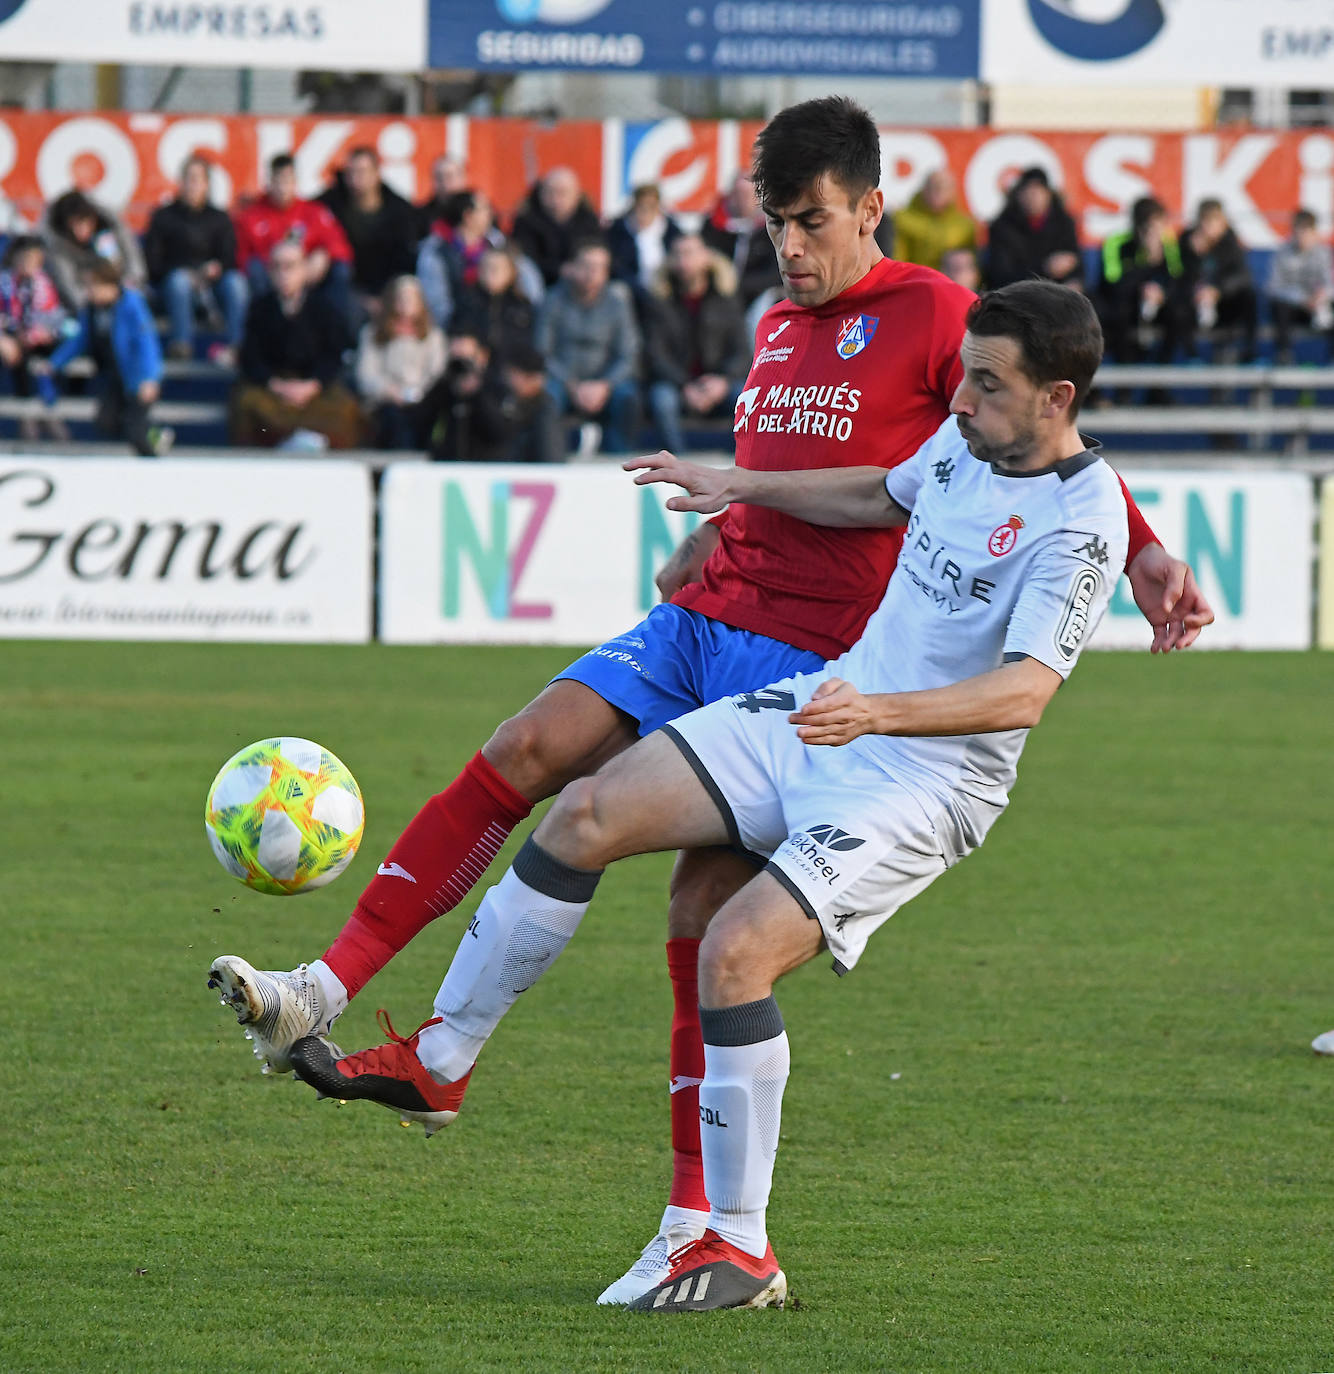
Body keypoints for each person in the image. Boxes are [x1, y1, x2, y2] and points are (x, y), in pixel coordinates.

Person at [206, 97, 1211, 1305]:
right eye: (773, 222)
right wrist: (725, 505)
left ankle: (713, 1226)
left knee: (709, 934)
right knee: (547, 775)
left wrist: (1144, 548)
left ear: (868, 210)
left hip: (824, 677)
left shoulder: (950, 328)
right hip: (730, 627)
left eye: (811, 221)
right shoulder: (787, 329)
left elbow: (1047, 449)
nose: (789, 245)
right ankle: (399, 1034)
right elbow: (879, 478)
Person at [230, 240, 361, 449]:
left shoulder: (324, 308)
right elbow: (250, 357)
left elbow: (334, 354)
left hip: (315, 389)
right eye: (276, 267)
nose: (283, 273)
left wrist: (312, 386)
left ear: (304, 269)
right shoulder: (259, 308)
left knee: (345, 409)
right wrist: (277, 385)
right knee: (246, 404)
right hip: (272, 389)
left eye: (290, 266)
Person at [43, 258, 171, 456]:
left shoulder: (131, 304)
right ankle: (154, 433)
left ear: (109, 285)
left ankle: (154, 448)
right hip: (115, 376)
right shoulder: (92, 310)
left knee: (137, 430)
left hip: (137, 377)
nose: (89, 291)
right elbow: (79, 340)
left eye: (93, 286)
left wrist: (150, 378)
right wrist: (54, 364)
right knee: (106, 421)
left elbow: (147, 343)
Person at [643, 233, 750, 455]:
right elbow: (655, 355)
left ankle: (739, 463)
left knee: (745, 397)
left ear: (706, 258)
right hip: (677, 384)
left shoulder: (726, 299)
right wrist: (685, 385)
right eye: (678, 254)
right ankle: (677, 463)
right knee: (662, 400)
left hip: (718, 383)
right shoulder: (659, 302)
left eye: (690, 253)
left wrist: (722, 380)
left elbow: (742, 352)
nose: (683, 261)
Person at [534, 236, 641, 456]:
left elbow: (628, 354)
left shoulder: (617, 303)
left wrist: (605, 384)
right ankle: (552, 462)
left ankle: (619, 462)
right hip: (562, 379)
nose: (591, 273)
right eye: (586, 266)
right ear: (572, 268)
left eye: (599, 267)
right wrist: (571, 384)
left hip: (606, 382)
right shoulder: (553, 299)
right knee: (545, 397)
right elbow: (542, 351)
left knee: (629, 397)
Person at [143, 155, 248, 362]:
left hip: (213, 287)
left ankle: (239, 346)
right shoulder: (163, 216)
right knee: (179, 282)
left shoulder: (220, 218)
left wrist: (216, 269)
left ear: (207, 184)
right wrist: (184, 272)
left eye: (198, 179)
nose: (193, 185)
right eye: (188, 178)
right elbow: (152, 264)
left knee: (236, 283)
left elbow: (230, 258)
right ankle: (181, 345)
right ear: (180, 182)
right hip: (173, 289)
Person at [233, 153, 354, 327]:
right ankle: (266, 328)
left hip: (309, 281)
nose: (283, 188)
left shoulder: (314, 213)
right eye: (278, 181)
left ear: (295, 182)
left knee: (340, 270)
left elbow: (342, 249)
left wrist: (324, 255)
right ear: (269, 182)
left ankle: (337, 333)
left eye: (287, 181)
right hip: (269, 280)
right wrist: (278, 267)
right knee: (255, 269)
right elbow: (241, 257)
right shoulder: (251, 216)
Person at [422, 332, 560, 463]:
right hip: (447, 469)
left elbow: (501, 433)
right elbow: (421, 419)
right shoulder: (446, 387)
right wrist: (443, 382)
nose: (463, 364)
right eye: (457, 356)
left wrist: (477, 394)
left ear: (483, 356)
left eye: (468, 358)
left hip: (488, 471)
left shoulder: (497, 388)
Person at [318, 145, 420, 320]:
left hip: (390, 291)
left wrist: (385, 298)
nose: (356, 179)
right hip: (349, 292)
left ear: (377, 173)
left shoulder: (401, 211)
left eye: (362, 171)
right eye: (351, 172)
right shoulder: (329, 205)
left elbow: (405, 260)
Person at [355, 275, 446, 450]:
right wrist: (388, 391)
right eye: (401, 298)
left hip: (423, 399)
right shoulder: (373, 333)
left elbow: (436, 372)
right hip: (385, 401)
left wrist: (418, 392)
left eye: (411, 298)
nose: (406, 304)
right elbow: (366, 374)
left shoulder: (433, 336)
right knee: (394, 421)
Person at [1096, 197, 1189, 364]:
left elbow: (1176, 279)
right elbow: (1113, 284)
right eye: (1151, 227)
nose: (1157, 232)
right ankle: (1124, 378)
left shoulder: (1168, 243)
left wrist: (1161, 293)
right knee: (1118, 314)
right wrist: (1147, 263)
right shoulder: (1116, 243)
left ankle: (1162, 374)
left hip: (1156, 306)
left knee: (1178, 314)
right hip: (1124, 306)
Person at [0, 234, 68, 440]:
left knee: (38, 366)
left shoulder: (46, 284)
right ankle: (27, 421)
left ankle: (50, 418)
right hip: (12, 341)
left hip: (39, 345)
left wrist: (42, 332)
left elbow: (58, 318)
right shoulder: (5, 284)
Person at [40, 189, 146, 313]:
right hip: (87, 302)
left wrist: (119, 290)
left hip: (123, 289)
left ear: (93, 218)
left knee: (133, 302)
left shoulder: (114, 230)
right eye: (72, 226)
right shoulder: (57, 247)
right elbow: (71, 290)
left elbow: (135, 266)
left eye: (82, 223)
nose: (78, 231)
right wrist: (92, 295)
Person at [1179, 199, 1256, 361]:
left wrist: (1217, 290)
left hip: (1224, 304)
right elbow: (1179, 277)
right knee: (1178, 305)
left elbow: (1242, 276)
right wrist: (1195, 256)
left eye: (1214, 220)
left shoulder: (1230, 242)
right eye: (1205, 220)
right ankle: (1191, 355)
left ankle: (1249, 352)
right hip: (1195, 303)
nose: (1209, 227)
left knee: (1249, 296)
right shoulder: (1186, 242)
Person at [985, 167, 1083, 291]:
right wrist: (1045, 269)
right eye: (1028, 191)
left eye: (1038, 191)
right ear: (1018, 195)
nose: (1033, 197)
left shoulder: (1064, 223)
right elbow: (1000, 276)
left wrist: (1075, 283)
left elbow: (1076, 264)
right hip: (1019, 295)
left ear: (1049, 195)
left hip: (1059, 294)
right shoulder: (1002, 228)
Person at [700, 172, 783, 308]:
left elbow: (775, 272)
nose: (744, 200)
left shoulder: (771, 228)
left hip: (758, 297)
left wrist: (740, 285)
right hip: (718, 295)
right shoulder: (712, 227)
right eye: (739, 194)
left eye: (749, 195)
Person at [451, 243, 539, 371]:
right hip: (473, 372)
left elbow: (525, 345)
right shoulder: (467, 300)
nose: (489, 273)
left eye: (496, 268)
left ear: (511, 272)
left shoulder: (522, 306)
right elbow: (457, 332)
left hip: (510, 373)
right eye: (485, 267)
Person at [511, 167, 602, 289]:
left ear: (577, 195)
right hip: (541, 282)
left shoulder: (589, 220)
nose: (555, 199)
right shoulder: (526, 220)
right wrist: (559, 269)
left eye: (563, 193)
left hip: (581, 280)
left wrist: (580, 268)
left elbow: (599, 252)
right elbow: (526, 258)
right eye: (550, 192)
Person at [1266, 209, 1334, 363]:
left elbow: (1329, 283)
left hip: (1317, 308)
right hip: (1293, 309)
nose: (1302, 237)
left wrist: (1322, 296)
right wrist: (1302, 299)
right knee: (1279, 305)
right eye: (1299, 231)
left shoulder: (1324, 253)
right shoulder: (1282, 252)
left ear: (1314, 232)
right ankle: (1284, 354)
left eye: (1306, 232)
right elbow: (1273, 287)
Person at [892, 169, 977, 273]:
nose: (939, 191)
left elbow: (972, 267)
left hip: (952, 284)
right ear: (924, 189)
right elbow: (897, 260)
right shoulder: (903, 220)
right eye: (934, 186)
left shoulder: (965, 226)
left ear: (953, 191)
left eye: (945, 187)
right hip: (916, 281)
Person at [608, 183, 683, 299]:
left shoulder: (672, 231)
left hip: (665, 292)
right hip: (630, 292)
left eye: (651, 206)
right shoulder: (618, 230)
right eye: (641, 206)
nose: (645, 211)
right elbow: (616, 267)